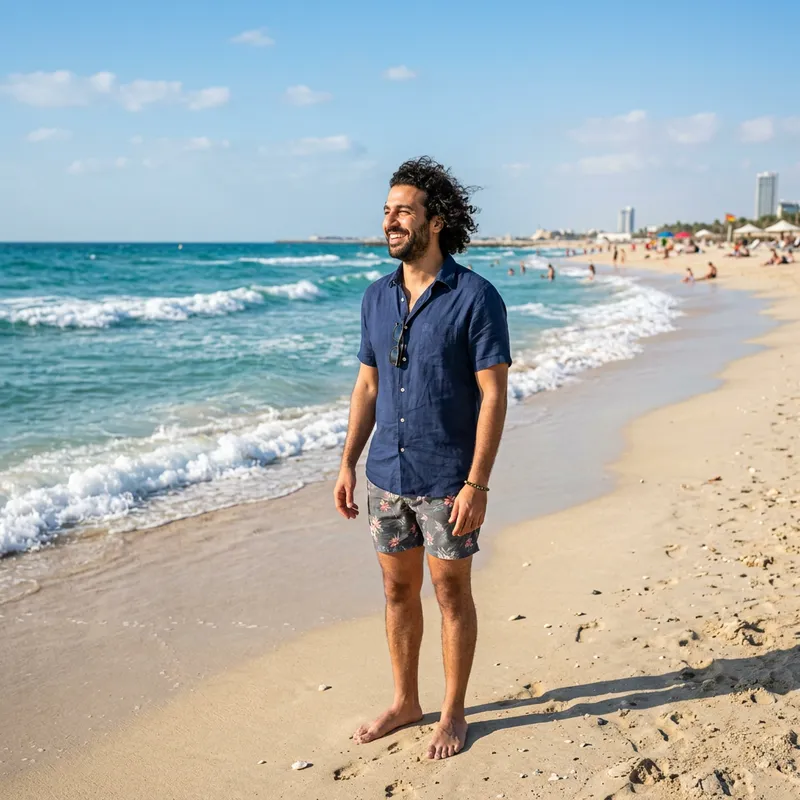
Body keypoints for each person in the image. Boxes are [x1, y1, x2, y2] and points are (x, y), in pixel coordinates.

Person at [334, 157, 511, 760]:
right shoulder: (375, 298)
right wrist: (346, 462)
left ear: (434, 222)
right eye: (386, 211)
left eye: (402, 211)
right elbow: (366, 387)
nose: (389, 221)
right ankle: (406, 701)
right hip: (386, 474)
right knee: (395, 592)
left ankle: (454, 711)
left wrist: (476, 484)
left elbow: (494, 394)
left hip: (446, 479)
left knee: (451, 593)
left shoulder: (476, 297)